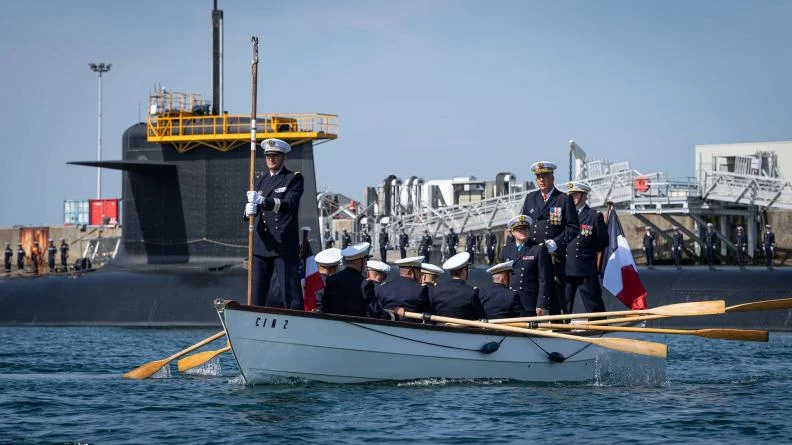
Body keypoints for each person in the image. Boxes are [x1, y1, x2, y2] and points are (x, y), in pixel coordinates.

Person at [244, 138, 304, 309]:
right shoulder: (261, 180)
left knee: (290, 293)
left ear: (283, 157)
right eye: (268, 156)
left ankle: (296, 322)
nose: (271, 159)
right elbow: (254, 208)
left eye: (275, 155)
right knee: (256, 293)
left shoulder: (293, 178)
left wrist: (264, 201)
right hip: (261, 244)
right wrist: (248, 211)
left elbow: (289, 204)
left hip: (283, 244)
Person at [519, 161, 579, 314]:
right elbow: (523, 223)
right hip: (533, 252)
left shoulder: (563, 199)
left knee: (556, 293)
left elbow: (573, 227)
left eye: (545, 176)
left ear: (552, 178)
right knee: (532, 288)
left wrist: (557, 242)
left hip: (553, 255)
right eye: (538, 177)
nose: (541, 180)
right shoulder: (530, 198)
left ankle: (559, 325)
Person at [563, 182, 608, 314]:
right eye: (570, 195)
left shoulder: (594, 216)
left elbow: (602, 242)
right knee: (564, 305)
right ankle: (562, 328)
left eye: (575, 195)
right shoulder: (564, 217)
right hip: (566, 268)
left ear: (583, 196)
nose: (571, 198)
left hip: (585, 268)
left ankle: (599, 328)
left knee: (593, 303)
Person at [499, 215, 552, 316]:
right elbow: (502, 276)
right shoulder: (506, 250)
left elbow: (543, 278)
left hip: (529, 300)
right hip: (510, 299)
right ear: (513, 232)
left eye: (526, 229)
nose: (523, 231)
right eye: (519, 230)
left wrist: (541, 303)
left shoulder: (537, 248)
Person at [429, 252, 485, 320]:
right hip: (464, 329)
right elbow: (481, 317)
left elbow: (431, 312)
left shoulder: (436, 289)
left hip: (439, 327)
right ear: (464, 271)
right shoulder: (472, 292)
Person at [321, 243, 372, 317]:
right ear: (359, 261)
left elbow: (325, 307)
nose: (366, 263)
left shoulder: (331, 279)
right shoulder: (365, 283)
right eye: (366, 259)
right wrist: (391, 316)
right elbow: (373, 310)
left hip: (334, 324)